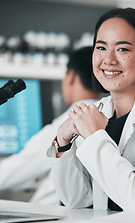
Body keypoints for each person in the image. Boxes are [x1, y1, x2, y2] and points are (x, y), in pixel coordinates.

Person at [47, 8, 135, 214]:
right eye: (101, 47)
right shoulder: (98, 111)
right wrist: (62, 143)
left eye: (122, 49)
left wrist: (96, 136)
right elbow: (76, 200)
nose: (109, 60)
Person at [0, 46, 100, 205]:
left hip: (53, 216)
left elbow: (11, 174)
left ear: (71, 76)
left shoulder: (66, 124)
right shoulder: (105, 116)